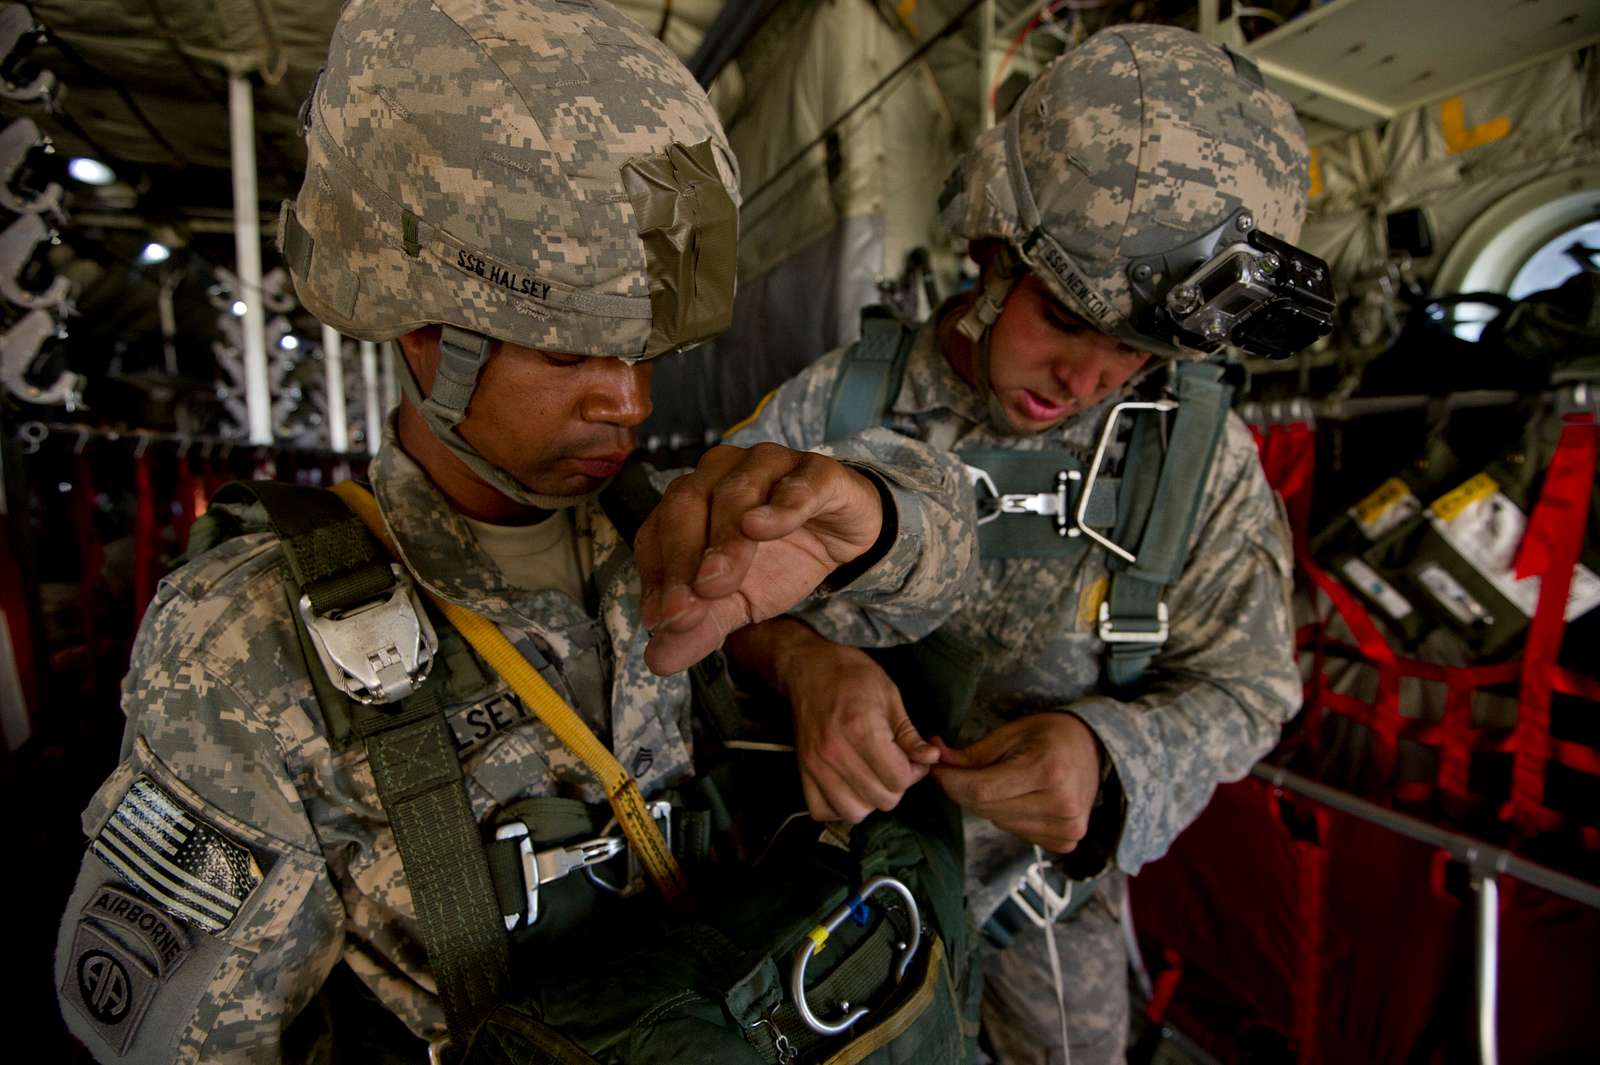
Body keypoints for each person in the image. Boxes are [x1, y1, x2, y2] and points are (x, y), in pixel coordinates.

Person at [52, 2, 977, 1062]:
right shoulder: (252, 642)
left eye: (643, 351)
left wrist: (862, 550)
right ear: (420, 329)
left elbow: (938, 579)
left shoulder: (667, 525)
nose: (627, 403)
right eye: (567, 352)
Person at [724, 24, 1323, 1065]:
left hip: (1043, 899)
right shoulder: (839, 400)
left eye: (1133, 353)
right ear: (991, 250)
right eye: (1060, 316)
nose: (1085, 378)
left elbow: (1250, 685)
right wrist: (802, 661)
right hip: (829, 877)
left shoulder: (1196, 455)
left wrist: (1108, 755)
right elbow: (694, 592)